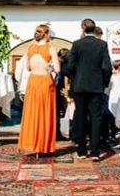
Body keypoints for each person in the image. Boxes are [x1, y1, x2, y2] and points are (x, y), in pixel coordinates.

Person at [64, 18, 113, 161]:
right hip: (96, 87)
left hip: (80, 86)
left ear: (83, 29)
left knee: (80, 117)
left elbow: (69, 66)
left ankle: (81, 150)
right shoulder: (102, 44)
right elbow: (107, 67)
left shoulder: (77, 44)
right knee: (96, 118)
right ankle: (96, 151)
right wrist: (104, 83)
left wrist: (74, 79)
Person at [17, 24, 59, 156]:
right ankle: (43, 144)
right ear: (46, 34)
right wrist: (49, 67)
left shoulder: (30, 48)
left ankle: (31, 144)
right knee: (44, 113)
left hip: (33, 81)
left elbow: (28, 68)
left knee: (32, 113)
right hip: (45, 81)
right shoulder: (51, 48)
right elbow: (57, 69)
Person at [52, 47, 71, 141]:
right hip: (53, 90)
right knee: (54, 113)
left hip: (60, 90)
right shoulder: (54, 63)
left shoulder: (64, 65)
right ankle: (54, 133)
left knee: (58, 113)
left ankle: (57, 133)